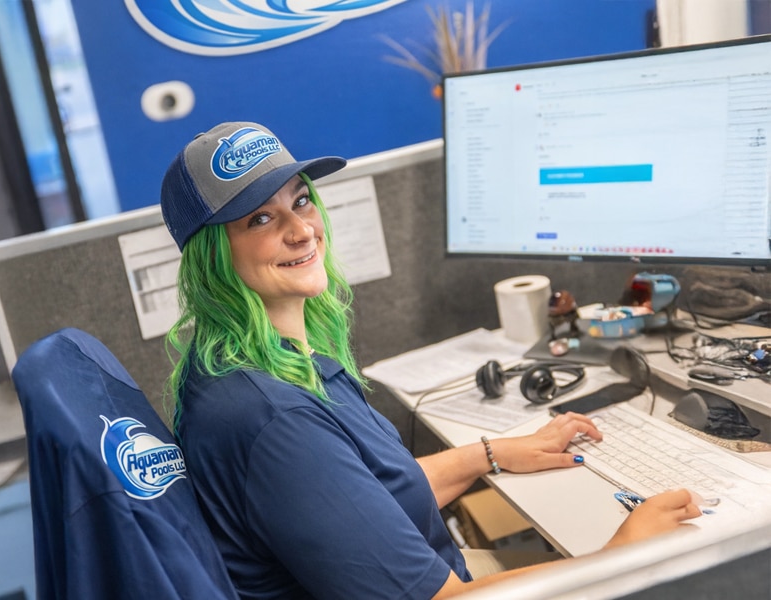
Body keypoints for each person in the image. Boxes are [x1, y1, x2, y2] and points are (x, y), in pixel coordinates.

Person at [159, 121, 702, 599]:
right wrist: (621, 556)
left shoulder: (260, 361)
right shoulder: (272, 418)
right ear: (212, 257)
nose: (301, 230)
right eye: (259, 220)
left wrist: (489, 453)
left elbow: (365, 494)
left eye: (300, 201)